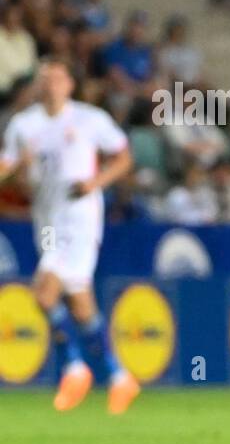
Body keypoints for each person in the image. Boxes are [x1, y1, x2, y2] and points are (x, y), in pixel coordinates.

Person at [0, 58, 139, 413]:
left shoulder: (89, 119)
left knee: (44, 294)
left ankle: (74, 368)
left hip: (79, 219)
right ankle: (119, 377)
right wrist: (22, 170)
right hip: (46, 220)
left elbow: (123, 158)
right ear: (38, 85)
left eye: (58, 78)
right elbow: (12, 174)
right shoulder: (22, 125)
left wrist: (95, 182)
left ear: (69, 85)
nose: (51, 84)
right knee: (79, 303)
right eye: (45, 79)